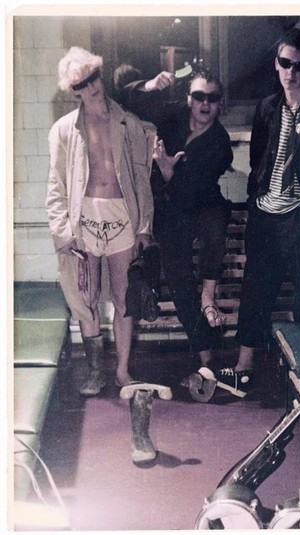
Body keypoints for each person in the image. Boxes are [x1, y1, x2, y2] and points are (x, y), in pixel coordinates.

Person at [215, 27, 300, 397]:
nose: (291, 72)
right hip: (266, 216)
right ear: (276, 63)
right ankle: (243, 371)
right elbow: (260, 159)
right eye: (285, 63)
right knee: (255, 293)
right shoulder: (267, 108)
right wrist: (258, 200)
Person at [46, 47, 156, 395]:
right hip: (84, 219)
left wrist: (145, 227)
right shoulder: (63, 130)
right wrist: (63, 232)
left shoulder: (129, 123)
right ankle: (95, 372)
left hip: (122, 215)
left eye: (93, 78)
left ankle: (122, 371)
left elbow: (142, 180)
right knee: (86, 297)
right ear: (73, 90)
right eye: (81, 84)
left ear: (100, 75)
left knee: (124, 298)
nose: (91, 87)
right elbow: (56, 187)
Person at [123, 69, 233, 374]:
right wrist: (149, 85)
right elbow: (126, 98)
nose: (205, 103)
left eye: (212, 98)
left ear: (220, 103)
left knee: (215, 224)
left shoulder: (220, 143)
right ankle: (206, 356)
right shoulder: (172, 116)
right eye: (199, 96)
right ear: (188, 99)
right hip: (170, 214)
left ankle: (208, 294)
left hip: (202, 205)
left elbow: (194, 192)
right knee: (179, 281)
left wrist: (168, 173)